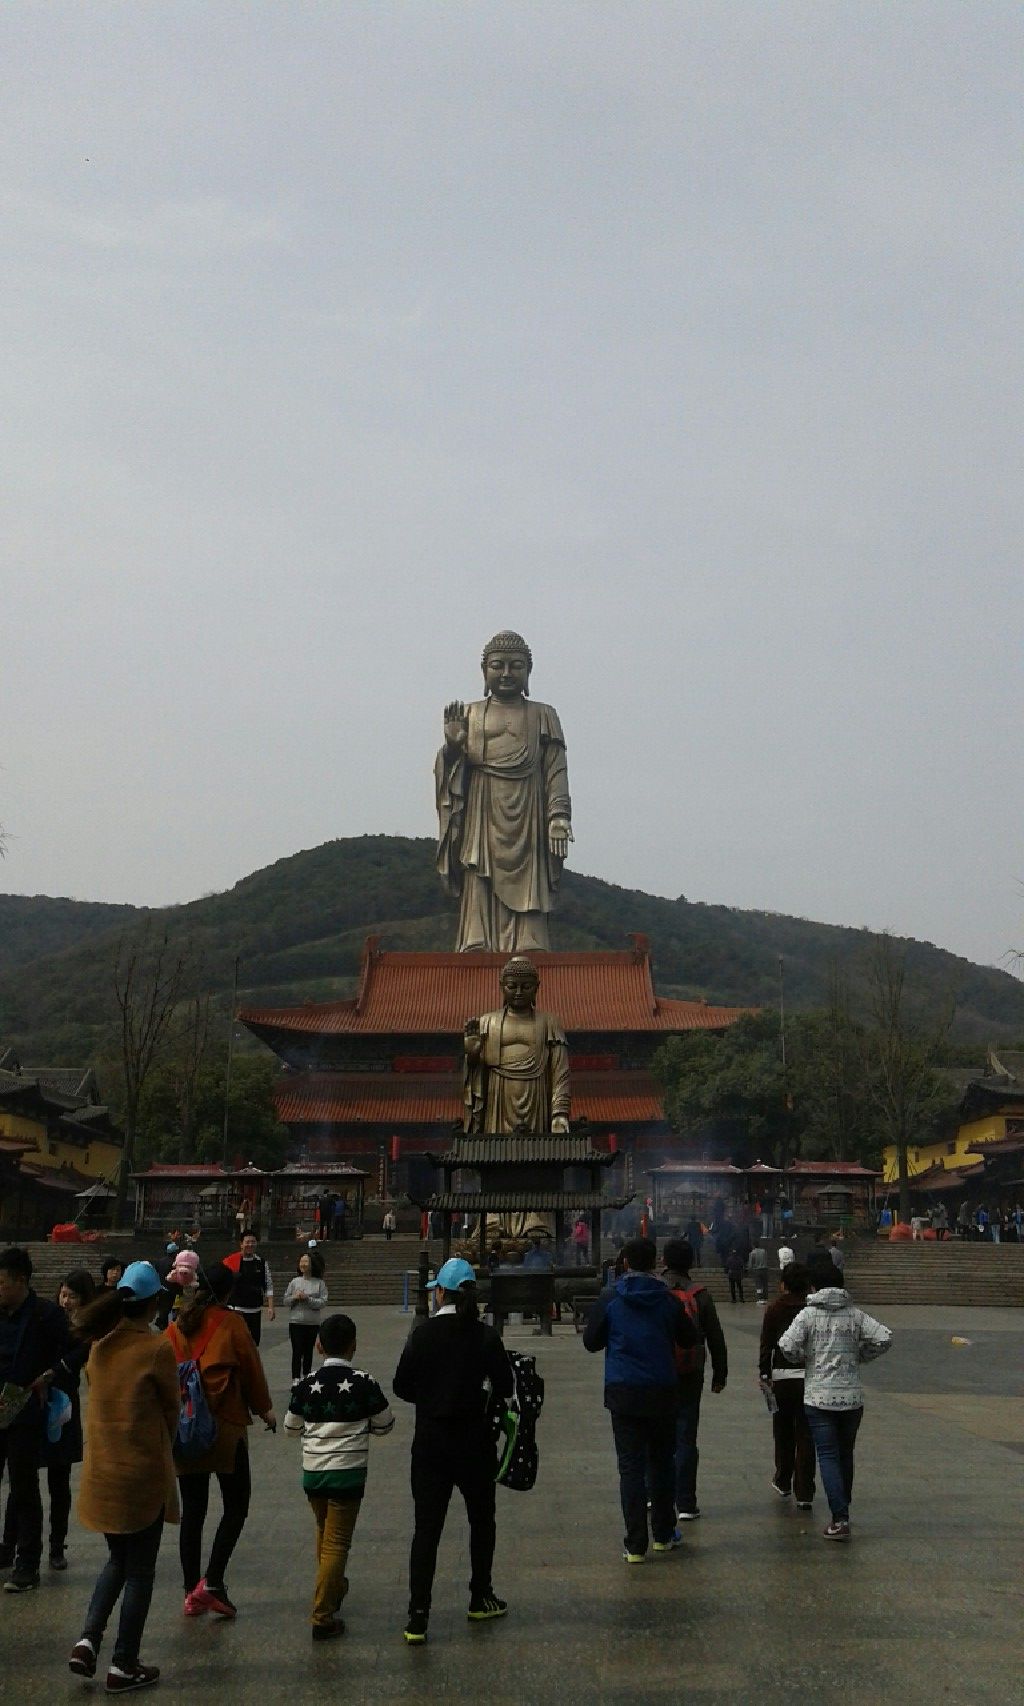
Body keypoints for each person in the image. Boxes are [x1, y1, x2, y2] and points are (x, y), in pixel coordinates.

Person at [69, 1261, 179, 1691]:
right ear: (153, 1304)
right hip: (141, 1474)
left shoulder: (99, 1346)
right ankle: (123, 1663)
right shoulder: (156, 1348)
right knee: (141, 1570)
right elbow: (172, 1412)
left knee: (117, 1558)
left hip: (103, 1473)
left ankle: (87, 1640)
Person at [392, 1256, 514, 1645]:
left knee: (426, 1529)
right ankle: (480, 1596)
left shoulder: (422, 1335)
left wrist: (430, 1397)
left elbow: (400, 1386)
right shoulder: (485, 1335)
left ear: (440, 1291)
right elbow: (506, 1387)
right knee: (482, 1521)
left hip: (431, 1444)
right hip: (476, 1443)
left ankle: (418, 1615)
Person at [435, 630, 573, 953]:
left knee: (531, 877)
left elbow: (556, 768)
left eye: (516, 666)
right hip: (482, 807)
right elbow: (450, 772)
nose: (507, 673)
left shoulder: (543, 715)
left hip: (529, 809)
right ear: (485, 671)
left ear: (528, 672)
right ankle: (476, 940)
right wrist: (453, 749)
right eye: (498, 665)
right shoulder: (469, 714)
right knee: (478, 871)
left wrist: (559, 815)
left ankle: (531, 941)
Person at [166, 1262, 274, 1618]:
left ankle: (188, 1590)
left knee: (193, 1511)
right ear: (227, 1292)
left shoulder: (176, 1326)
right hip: (224, 1425)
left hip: (185, 1429)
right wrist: (265, 1411)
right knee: (236, 1504)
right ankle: (212, 1580)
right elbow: (251, 1369)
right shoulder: (231, 1324)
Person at [582, 1237, 698, 1562]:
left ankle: (635, 1546)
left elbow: (591, 1342)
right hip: (662, 1390)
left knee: (631, 1468)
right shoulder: (668, 1299)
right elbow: (689, 1338)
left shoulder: (611, 1297)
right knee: (662, 1463)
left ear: (625, 1263)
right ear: (654, 1262)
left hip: (624, 1391)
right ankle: (663, 1534)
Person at [285, 1312, 394, 1640]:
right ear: (354, 1345)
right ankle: (322, 1613)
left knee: (324, 1532)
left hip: (314, 1473)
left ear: (318, 1345)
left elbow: (292, 1428)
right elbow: (385, 1424)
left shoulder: (306, 1384)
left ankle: (333, 1587)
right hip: (347, 1474)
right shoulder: (364, 1382)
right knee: (337, 1542)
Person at [778, 1262, 892, 1541]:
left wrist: (806, 1359)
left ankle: (839, 1517)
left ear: (814, 1286)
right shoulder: (855, 1315)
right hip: (851, 1398)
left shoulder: (808, 1314)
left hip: (818, 1397)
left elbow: (786, 1346)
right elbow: (884, 1338)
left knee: (827, 1455)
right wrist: (860, 1356)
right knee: (845, 1454)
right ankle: (843, 1509)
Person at [0, 1246, 70, 1592]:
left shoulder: (45, 1315)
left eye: (2, 1283)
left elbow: (78, 1347)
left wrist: (51, 1374)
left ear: (21, 1281)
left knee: (24, 1486)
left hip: (24, 1408)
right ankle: (4, 1552)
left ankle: (27, 1563)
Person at [660, 1239, 727, 1523]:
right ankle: (686, 1502)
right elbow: (715, 1336)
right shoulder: (700, 1294)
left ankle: (654, 1495)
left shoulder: (656, 1291)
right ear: (692, 1263)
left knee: (657, 1435)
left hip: (657, 1370)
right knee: (686, 1435)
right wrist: (719, 1374)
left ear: (663, 1260)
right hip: (691, 1371)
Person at [759, 1263, 816, 1510]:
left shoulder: (775, 1309)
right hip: (810, 1377)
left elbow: (767, 1344)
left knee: (782, 1430)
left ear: (783, 1284)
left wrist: (764, 1372)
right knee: (806, 1433)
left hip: (781, 1377)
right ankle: (804, 1490)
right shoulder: (812, 1309)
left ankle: (783, 1479)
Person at [283, 1250, 329, 1383]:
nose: (303, 1264)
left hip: (312, 1323)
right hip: (296, 1322)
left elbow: (322, 1302)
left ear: (312, 1264)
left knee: (308, 1351)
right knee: (297, 1350)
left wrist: (308, 1299)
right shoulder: (294, 1282)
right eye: (301, 1261)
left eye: (306, 1261)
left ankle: (307, 1375)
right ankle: (296, 1378)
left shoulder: (319, 1283)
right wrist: (295, 1298)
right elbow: (285, 1301)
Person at [228, 1233, 274, 1344]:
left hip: (255, 1310)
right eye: (247, 1242)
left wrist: (271, 1307)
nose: (250, 1244)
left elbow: (268, 1285)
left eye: (253, 1242)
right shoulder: (232, 1261)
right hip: (236, 1310)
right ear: (241, 1244)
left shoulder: (261, 1263)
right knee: (236, 1344)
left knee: (253, 1345)